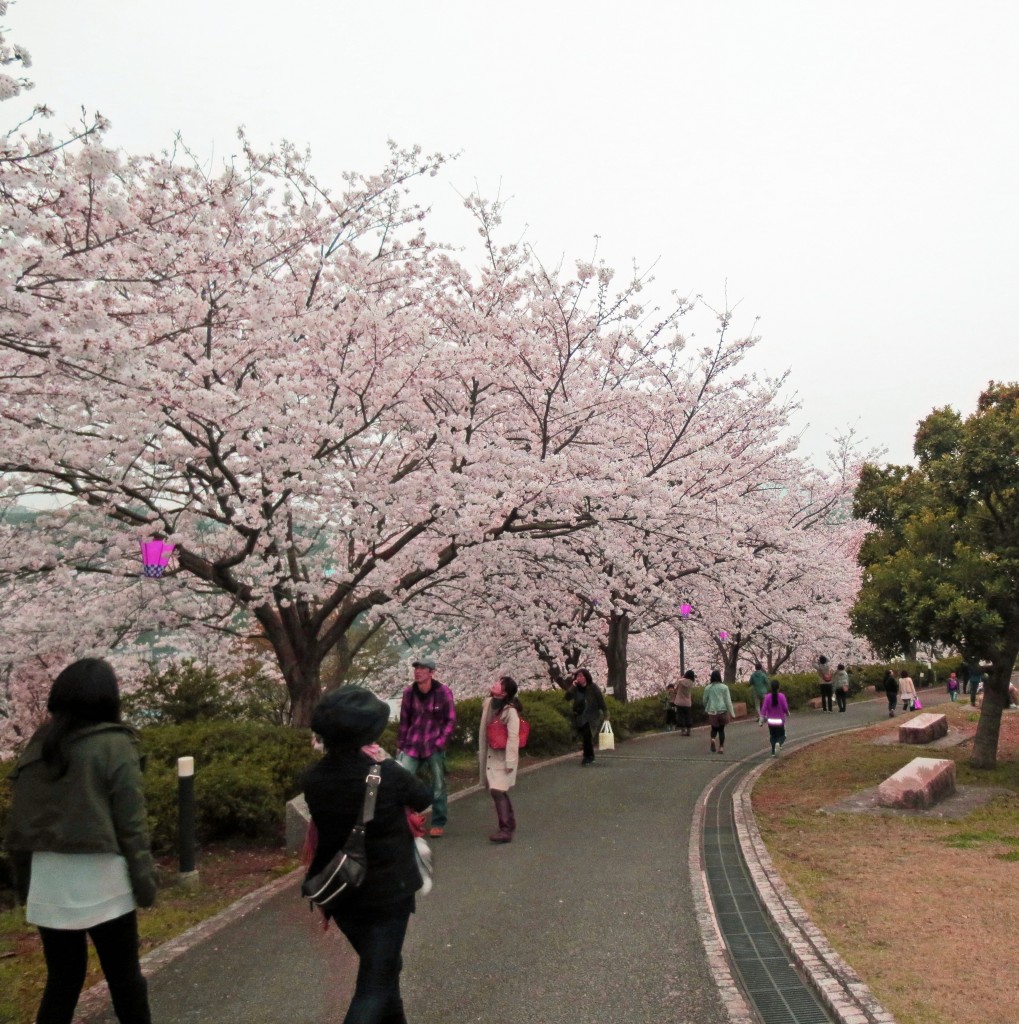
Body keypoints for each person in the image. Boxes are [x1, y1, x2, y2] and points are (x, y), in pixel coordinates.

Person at [4, 658, 156, 1024]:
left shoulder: (38, 747)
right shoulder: (114, 745)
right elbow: (131, 824)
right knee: (124, 979)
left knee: (63, 978)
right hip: (101, 876)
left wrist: (24, 883)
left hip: (49, 879)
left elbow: (21, 824)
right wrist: (145, 882)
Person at [302, 686, 432, 1024]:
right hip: (387, 895)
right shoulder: (385, 774)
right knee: (374, 986)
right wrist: (385, 761)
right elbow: (422, 797)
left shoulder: (313, 779)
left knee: (385, 968)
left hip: (342, 894)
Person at [396, 658, 456, 838]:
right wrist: (400, 745)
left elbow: (450, 720)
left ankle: (438, 821)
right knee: (402, 780)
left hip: (433, 744)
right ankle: (406, 820)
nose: (418, 672)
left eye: (422, 669)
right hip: (412, 744)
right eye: (416, 668)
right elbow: (404, 721)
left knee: (438, 784)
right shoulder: (409, 693)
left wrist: (440, 741)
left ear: (431, 672)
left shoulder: (443, 692)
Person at [478, 676, 522, 843]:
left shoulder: (510, 711)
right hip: (491, 753)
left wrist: (510, 762)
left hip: (503, 756)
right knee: (498, 789)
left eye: (499, 683)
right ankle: (509, 822)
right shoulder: (489, 703)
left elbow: (513, 737)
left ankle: (505, 829)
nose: (494, 683)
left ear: (504, 692)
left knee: (497, 789)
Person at [564, 668, 606, 765]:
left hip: (592, 716)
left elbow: (600, 700)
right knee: (585, 737)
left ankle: (587, 757)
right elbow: (567, 698)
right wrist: (572, 686)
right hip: (580, 716)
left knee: (587, 736)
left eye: (582, 676)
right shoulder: (576, 689)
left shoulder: (593, 687)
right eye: (578, 676)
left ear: (586, 677)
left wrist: (605, 712)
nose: (580, 678)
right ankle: (590, 756)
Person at [703, 669, 735, 754]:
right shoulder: (724, 687)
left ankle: (713, 739)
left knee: (714, 728)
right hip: (722, 711)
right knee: (721, 730)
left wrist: (707, 707)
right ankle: (721, 747)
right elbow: (728, 701)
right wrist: (732, 713)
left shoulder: (708, 688)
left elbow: (704, 700)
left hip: (712, 711)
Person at [760, 680, 790, 756]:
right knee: (782, 736)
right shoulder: (781, 696)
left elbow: (764, 708)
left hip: (771, 721)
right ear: (778, 687)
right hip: (779, 721)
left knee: (773, 736)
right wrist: (787, 713)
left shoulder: (767, 697)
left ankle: (773, 751)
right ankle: (779, 743)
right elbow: (785, 707)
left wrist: (761, 719)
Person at [673, 670, 694, 736]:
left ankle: (682, 731)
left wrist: (681, 678)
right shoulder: (691, 683)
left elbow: (675, 690)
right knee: (688, 716)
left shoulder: (680, 681)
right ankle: (689, 731)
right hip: (687, 703)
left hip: (679, 702)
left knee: (680, 716)